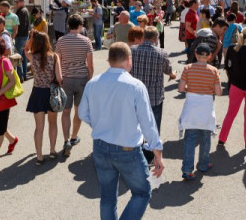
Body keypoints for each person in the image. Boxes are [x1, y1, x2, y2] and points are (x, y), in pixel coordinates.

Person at [79, 43, 164, 220]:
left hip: (101, 147)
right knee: (142, 192)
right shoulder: (135, 85)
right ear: (129, 61)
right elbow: (147, 121)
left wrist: (99, 124)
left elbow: (82, 113)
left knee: (108, 196)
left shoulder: (93, 83)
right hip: (127, 149)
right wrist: (157, 151)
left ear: (109, 60)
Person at [130, 27, 176, 163]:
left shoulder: (132, 50)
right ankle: (149, 155)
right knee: (153, 126)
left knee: (135, 124)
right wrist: (173, 75)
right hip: (154, 96)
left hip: (136, 95)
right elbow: (168, 70)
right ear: (156, 38)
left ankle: (135, 150)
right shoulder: (161, 53)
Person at [178, 43, 222, 181]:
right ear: (209, 56)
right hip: (206, 108)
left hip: (191, 107)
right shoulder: (214, 71)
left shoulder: (187, 69)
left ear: (196, 54)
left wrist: (189, 87)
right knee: (205, 138)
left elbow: (180, 88)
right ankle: (203, 164)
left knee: (190, 139)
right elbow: (219, 92)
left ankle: (187, 170)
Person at [55, 14, 94, 158]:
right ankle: (74, 137)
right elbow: (90, 63)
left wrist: (59, 76)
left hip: (66, 78)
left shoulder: (61, 41)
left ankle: (66, 141)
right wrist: (90, 78)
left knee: (66, 111)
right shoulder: (86, 41)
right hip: (82, 78)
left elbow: (57, 59)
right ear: (80, 25)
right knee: (78, 111)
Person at [24, 31, 63, 165]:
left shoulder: (32, 57)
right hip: (51, 92)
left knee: (38, 127)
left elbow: (25, 48)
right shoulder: (55, 57)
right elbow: (59, 78)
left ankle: (39, 156)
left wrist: (31, 38)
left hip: (38, 92)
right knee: (53, 123)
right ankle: (52, 150)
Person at [13, 0, 31, 80]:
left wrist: (15, 34)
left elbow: (21, 26)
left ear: (22, 2)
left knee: (18, 57)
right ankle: (24, 75)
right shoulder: (24, 10)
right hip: (24, 36)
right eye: (16, 2)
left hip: (21, 36)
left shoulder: (22, 11)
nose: (16, 4)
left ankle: (20, 77)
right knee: (23, 57)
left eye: (17, 2)